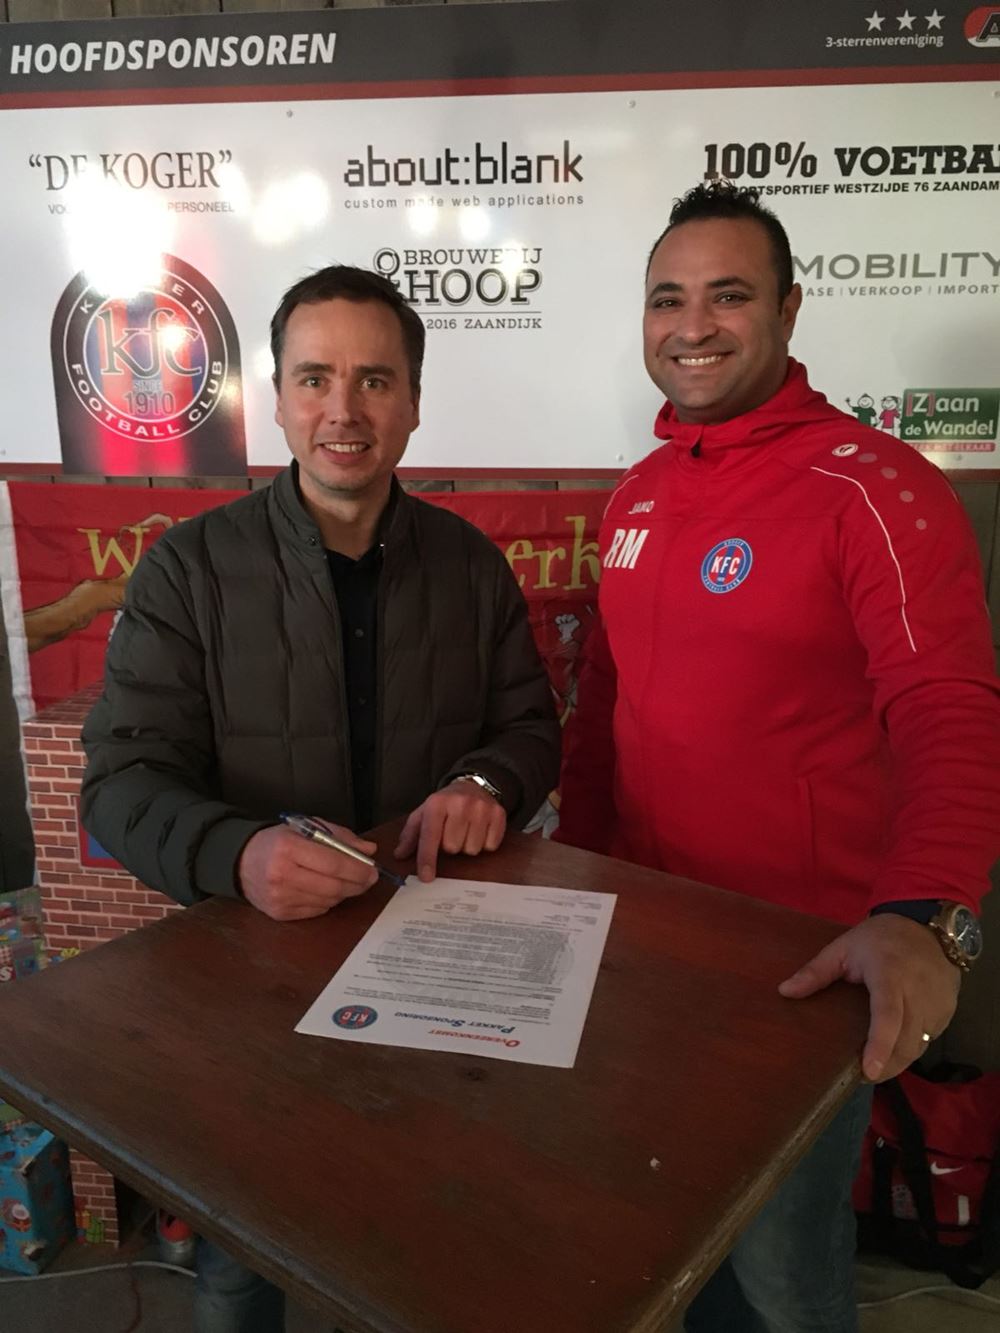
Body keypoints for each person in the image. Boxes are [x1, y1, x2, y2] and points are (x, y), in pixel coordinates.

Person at [556, 181, 1000, 1333]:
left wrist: (926, 913)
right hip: (649, 953)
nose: (691, 325)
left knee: (783, 1274)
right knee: (675, 1237)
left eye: (728, 295)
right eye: (667, 299)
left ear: (789, 309)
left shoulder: (875, 487)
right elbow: (605, 711)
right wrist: (578, 886)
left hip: (795, 976)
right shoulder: (637, 496)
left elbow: (949, 707)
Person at [81, 264, 560, 1332]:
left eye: (375, 380)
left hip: (437, 984)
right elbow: (121, 782)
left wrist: (488, 780)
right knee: (239, 1272)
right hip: (248, 992)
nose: (344, 410)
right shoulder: (187, 571)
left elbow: (528, 727)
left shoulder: (471, 567)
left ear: (414, 402)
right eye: (315, 378)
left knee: (421, 1251)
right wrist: (238, 854)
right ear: (278, 396)